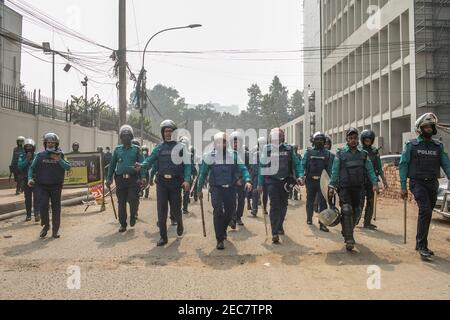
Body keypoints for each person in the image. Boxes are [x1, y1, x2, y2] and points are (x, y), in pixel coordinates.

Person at [399, 113, 450, 260]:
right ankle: (423, 246)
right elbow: (403, 165)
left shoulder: (438, 146)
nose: (428, 128)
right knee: (425, 210)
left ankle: (419, 241)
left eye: (430, 126)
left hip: (433, 183)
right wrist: (403, 186)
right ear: (420, 128)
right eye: (425, 126)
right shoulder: (411, 145)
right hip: (417, 183)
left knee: (428, 213)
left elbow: (446, 164)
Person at [136, 120, 191, 247]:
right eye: (166, 131)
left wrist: (187, 180)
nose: (168, 133)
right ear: (162, 133)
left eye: (171, 131)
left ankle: (180, 222)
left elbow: (187, 165)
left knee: (176, 209)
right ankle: (163, 237)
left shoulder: (181, 148)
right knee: (161, 209)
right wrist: (142, 165)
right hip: (162, 183)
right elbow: (150, 160)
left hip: (175, 183)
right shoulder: (158, 148)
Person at [196, 132, 252, 250]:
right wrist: (199, 189)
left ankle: (223, 229)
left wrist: (247, 180)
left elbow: (243, 168)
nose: (222, 144)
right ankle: (219, 239)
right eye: (219, 142)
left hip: (231, 188)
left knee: (230, 212)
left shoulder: (234, 155)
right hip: (216, 188)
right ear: (215, 144)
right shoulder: (210, 156)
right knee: (218, 211)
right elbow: (203, 174)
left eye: (224, 142)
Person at [328, 128, 379, 251]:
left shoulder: (363, 154)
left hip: (359, 188)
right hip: (344, 188)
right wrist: (332, 186)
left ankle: (346, 230)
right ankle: (349, 239)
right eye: (350, 138)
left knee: (357, 212)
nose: (353, 140)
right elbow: (335, 171)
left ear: (358, 140)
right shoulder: (340, 154)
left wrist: (375, 183)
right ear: (347, 139)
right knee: (346, 210)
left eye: (355, 138)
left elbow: (370, 170)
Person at [258, 128, 303, 244]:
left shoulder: (288, 149)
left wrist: (300, 176)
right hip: (272, 181)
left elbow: (297, 164)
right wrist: (259, 183)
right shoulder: (266, 149)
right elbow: (261, 167)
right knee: (274, 205)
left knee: (283, 205)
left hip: (286, 181)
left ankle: (279, 225)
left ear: (283, 137)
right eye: (275, 137)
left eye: (279, 136)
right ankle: (274, 232)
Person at [28, 133, 71, 239]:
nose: (50, 144)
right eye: (48, 142)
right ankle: (46, 226)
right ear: (45, 143)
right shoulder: (40, 155)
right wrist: (30, 178)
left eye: (52, 142)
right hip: (42, 186)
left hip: (56, 186)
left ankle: (55, 230)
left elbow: (68, 167)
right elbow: (31, 168)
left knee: (56, 208)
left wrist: (58, 159)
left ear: (56, 143)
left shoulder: (60, 154)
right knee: (43, 206)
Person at [106, 125, 146, 233]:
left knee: (133, 199)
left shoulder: (137, 150)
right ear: (121, 137)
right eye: (123, 136)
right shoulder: (117, 150)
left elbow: (141, 164)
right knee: (121, 202)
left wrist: (143, 177)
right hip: (120, 180)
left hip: (133, 179)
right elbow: (112, 165)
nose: (125, 138)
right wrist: (108, 178)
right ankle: (123, 224)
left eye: (128, 136)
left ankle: (133, 215)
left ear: (131, 137)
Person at [300, 132, 333, 233]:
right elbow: (303, 164)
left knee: (323, 202)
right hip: (310, 180)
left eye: (321, 140)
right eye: (317, 139)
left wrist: (331, 182)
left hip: (322, 181)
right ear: (313, 141)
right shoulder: (308, 152)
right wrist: (301, 176)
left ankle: (322, 223)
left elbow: (330, 169)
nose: (319, 141)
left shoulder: (328, 154)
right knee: (310, 200)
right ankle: (309, 218)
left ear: (324, 141)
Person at [358, 130, 388, 230]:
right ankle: (355, 219)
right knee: (360, 201)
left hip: (372, 181)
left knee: (371, 201)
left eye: (369, 140)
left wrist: (384, 180)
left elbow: (379, 167)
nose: (368, 141)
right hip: (361, 180)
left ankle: (367, 222)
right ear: (362, 140)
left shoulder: (375, 151)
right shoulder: (359, 150)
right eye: (366, 140)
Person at [229, 131, 250, 228]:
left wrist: (243, 180)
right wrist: (235, 179)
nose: (236, 144)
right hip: (231, 180)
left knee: (242, 200)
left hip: (242, 180)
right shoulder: (228, 154)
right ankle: (232, 218)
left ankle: (238, 217)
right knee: (232, 200)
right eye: (234, 142)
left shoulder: (245, 154)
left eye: (238, 142)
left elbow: (248, 168)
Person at [18, 139, 40, 222]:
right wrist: (27, 159)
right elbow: (20, 166)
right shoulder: (22, 156)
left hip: (35, 180)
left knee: (37, 197)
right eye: (27, 146)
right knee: (27, 198)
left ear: (33, 147)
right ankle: (28, 215)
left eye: (30, 146)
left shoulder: (37, 155)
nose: (28, 148)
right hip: (25, 179)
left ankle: (37, 214)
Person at [250, 137, 268, 217]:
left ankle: (264, 208)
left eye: (264, 144)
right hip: (257, 175)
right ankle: (254, 209)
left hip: (267, 176)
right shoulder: (256, 154)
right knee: (255, 192)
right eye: (261, 144)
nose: (263, 145)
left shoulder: (269, 153)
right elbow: (254, 166)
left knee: (266, 193)